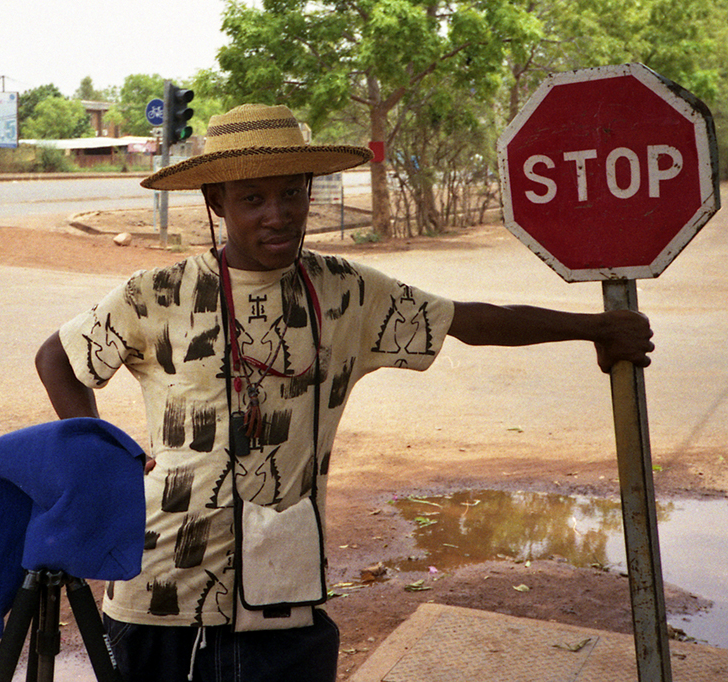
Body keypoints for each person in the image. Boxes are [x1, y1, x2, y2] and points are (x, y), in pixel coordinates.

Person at [33, 103, 654, 682]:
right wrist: (99, 452)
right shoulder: (157, 293)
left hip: (284, 592)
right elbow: (57, 357)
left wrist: (594, 329)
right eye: (253, 197)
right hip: (160, 590)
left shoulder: (346, 292)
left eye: (291, 193)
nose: (277, 213)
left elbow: (471, 321)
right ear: (216, 200)